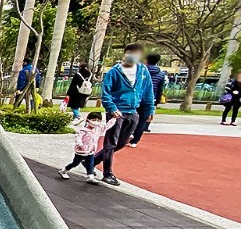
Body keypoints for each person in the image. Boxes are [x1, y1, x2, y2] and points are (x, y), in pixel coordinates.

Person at [97, 43, 154, 186]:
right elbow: (106, 93)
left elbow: (148, 91)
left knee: (122, 142)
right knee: (111, 142)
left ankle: (92, 160)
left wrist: (150, 109)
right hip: (117, 111)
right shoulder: (114, 72)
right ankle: (107, 173)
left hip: (133, 111)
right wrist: (111, 108)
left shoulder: (142, 71)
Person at [58, 111, 115, 182]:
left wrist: (114, 118)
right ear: (88, 120)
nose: (96, 122)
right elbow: (78, 138)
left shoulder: (98, 129)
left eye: (98, 120)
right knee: (75, 163)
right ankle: (63, 171)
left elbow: (108, 125)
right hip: (81, 151)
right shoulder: (83, 131)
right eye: (94, 120)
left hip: (90, 151)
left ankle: (90, 177)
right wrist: (80, 144)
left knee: (90, 164)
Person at [130, 53, 167, 146]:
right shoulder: (161, 74)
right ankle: (135, 141)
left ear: (146, 60)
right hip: (150, 99)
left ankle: (128, 133)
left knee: (131, 116)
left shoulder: (140, 71)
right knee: (143, 121)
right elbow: (160, 89)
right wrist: (156, 101)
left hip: (136, 97)